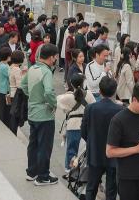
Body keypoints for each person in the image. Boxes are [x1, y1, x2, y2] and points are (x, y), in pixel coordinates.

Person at [21, 43, 59, 186]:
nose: (55, 60)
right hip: (44, 114)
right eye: (55, 57)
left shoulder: (32, 68)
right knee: (44, 146)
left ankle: (32, 172)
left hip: (32, 112)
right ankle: (43, 176)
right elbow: (48, 92)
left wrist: (33, 97)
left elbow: (23, 86)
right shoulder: (47, 71)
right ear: (51, 58)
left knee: (33, 144)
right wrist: (53, 103)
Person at [81, 76, 123, 200]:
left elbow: (83, 131)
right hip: (114, 154)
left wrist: (91, 141)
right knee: (111, 190)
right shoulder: (120, 110)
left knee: (91, 187)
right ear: (115, 91)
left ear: (100, 90)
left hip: (94, 153)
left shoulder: (90, 108)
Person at [58, 73, 95, 175]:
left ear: (71, 84)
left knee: (72, 148)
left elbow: (60, 104)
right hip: (86, 125)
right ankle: (83, 169)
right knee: (84, 149)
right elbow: (93, 107)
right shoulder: (89, 94)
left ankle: (69, 169)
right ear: (83, 83)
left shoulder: (68, 97)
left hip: (73, 125)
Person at [8, 50, 27, 135]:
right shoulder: (16, 69)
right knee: (15, 116)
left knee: (13, 115)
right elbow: (20, 85)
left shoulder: (12, 67)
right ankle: (13, 133)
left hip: (12, 93)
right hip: (16, 94)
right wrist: (24, 74)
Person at [0, 46, 13, 128]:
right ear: (7, 56)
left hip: (3, 90)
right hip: (5, 91)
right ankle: (4, 124)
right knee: (5, 110)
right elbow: (10, 75)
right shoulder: (4, 66)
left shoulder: (2, 64)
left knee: (4, 108)